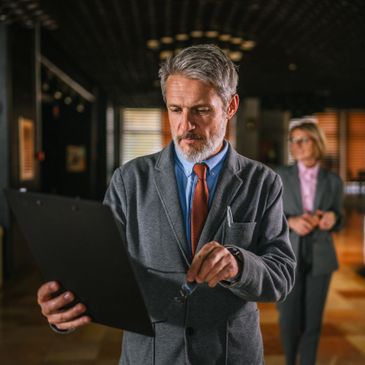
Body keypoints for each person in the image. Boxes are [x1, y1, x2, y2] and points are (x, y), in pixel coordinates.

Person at [37, 44, 296, 365]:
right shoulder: (129, 180)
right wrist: (63, 308)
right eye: (175, 109)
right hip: (152, 354)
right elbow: (100, 268)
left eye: (200, 110)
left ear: (231, 106)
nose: (185, 124)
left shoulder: (263, 181)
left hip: (230, 354)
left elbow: (281, 275)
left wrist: (239, 265)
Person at [276, 118, 344, 365]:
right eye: (292, 141)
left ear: (316, 142)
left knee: (313, 322)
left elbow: (340, 218)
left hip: (321, 258)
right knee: (289, 320)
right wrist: (291, 222)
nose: (296, 146)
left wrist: (332, 218)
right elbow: (266, 217)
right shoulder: (279, 176)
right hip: (288, 255)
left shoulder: (333, 181)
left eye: (302, 140)